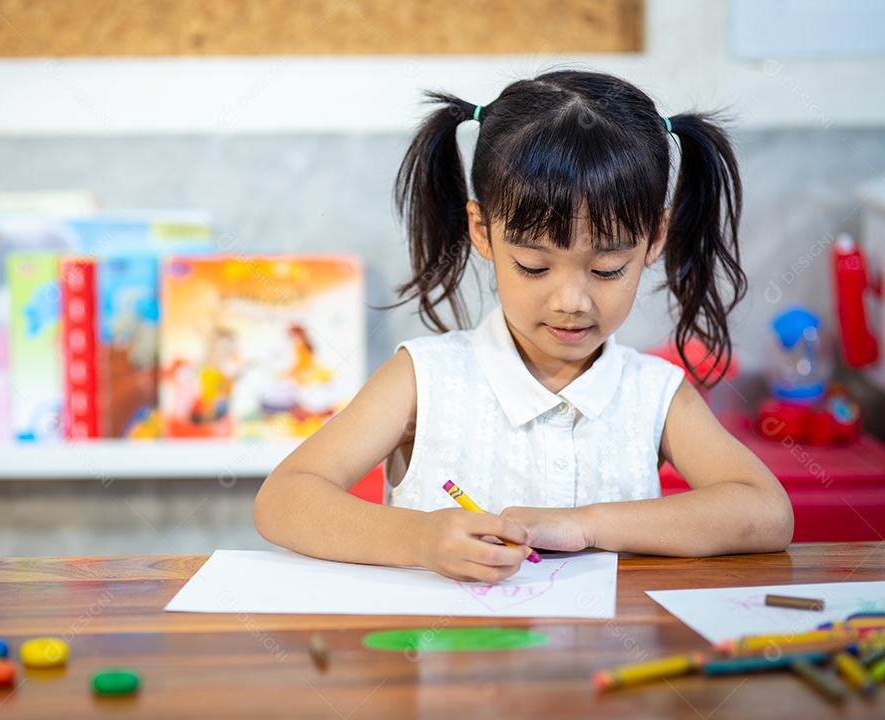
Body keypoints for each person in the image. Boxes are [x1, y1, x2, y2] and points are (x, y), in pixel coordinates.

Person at [253, 70, 794, 582]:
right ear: (483, 232)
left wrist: (586, 526)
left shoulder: (654, 394)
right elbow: (284, 500)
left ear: (655, 239)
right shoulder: (424, 379)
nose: (571, 300)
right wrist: (418, 538)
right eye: (534, 267)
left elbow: (766, 512)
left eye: (608, 269)